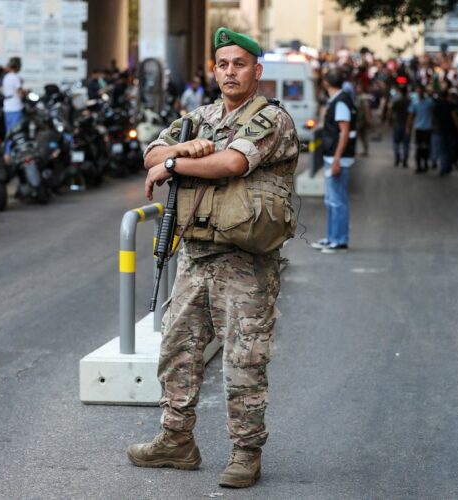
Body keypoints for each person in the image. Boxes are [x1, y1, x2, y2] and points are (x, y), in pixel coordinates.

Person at [130, 27, 299, 489]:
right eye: (223, 64)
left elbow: (230, 164)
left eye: (239, 64)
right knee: (177, 350)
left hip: (245, 262)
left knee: (243, 361)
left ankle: (246, 452)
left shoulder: (271, 120)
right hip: (195, 255)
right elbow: (150, 153)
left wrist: (173, 165)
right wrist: (177, 150)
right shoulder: (198, 117)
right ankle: (176, 439)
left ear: (256, 71)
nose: (229, 72)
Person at [310, 69, 356, 253]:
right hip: (334, 156)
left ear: (326, 83)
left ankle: (339, 240)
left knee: (337, 201)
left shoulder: (341, 102)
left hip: (338, 157)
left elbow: (344, 132)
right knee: (331, 200)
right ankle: (331, 238)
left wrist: (337, 159)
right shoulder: (337, 100)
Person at [406, 84, 434, 173]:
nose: (419, 92)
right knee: (418, 148)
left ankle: (425, 164)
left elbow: (433, 114)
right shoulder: (415, 103)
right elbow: (411, 115)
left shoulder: (429, 102)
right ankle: (419, 166)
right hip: (419, 128)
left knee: (425, 147)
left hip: (427, 128)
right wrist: (408, 126)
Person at [386, 85, 410, 167]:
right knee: (406, 144)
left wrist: (388, 120)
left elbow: (390, 110)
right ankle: (405, 160)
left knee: (396, 142)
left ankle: (397, 157)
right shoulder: (409, 101)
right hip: (407, 125)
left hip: (398, 124)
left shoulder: (397, 101)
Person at [1, 57, 24, 136]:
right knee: (16, 132)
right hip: (15, 107)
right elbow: (20, 93)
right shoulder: (15, 77)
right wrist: (25, 93)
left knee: (9, 131)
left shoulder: (6, 77)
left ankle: (8, 148)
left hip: (7, 107)